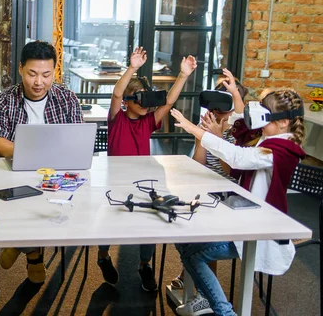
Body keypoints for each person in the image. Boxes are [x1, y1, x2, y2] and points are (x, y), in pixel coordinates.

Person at [170, 85, 306, 316]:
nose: (259, 124)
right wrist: (231, 100)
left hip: (259, 228)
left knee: (195, 254)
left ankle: (224, 311)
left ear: (283, 122)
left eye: (266, 118)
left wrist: (197, 131)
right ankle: (207, 300)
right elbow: (239, 125)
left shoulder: (281, 150)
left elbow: (239, 158)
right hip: (244, 215)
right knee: (184, 237)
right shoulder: (272, 141)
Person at [0, 40, 83, 284]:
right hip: (15, 172)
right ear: (21, 69)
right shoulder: (4, 100)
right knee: (30, 204)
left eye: (46, 75)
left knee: (63, 207)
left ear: (54, 72)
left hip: (57, 174)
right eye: (32, 74)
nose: (39, 82)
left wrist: (48, 157)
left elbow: (78, 140)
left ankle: (23, 245)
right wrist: (35, 153)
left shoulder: (68, 99)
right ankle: (33, 254)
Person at [103, 46, 197, 290]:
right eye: (141, 99)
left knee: (149, 223)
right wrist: (132, 68)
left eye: (148, 99)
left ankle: (144, 264)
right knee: (108, 223)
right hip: (115, 180)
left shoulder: (148, 122)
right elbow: (115, 95)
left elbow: (169, 102)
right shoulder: (117, 119)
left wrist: (183, 75)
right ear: (128, 102)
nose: (146, 105)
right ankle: (103, 256)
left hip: (143, 180)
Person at [170, 70, 248, 297]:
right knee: (179, 219)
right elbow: (198, 164)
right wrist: (202, 137)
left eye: (223, 107)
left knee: (203, 233)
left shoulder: (241, 132)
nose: (217, 112)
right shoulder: (206, 122)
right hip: (206, 186)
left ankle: (202, 289)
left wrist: (218, 139)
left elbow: (231, 171)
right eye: (214, 106)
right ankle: (193, 272)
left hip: (232, 192)